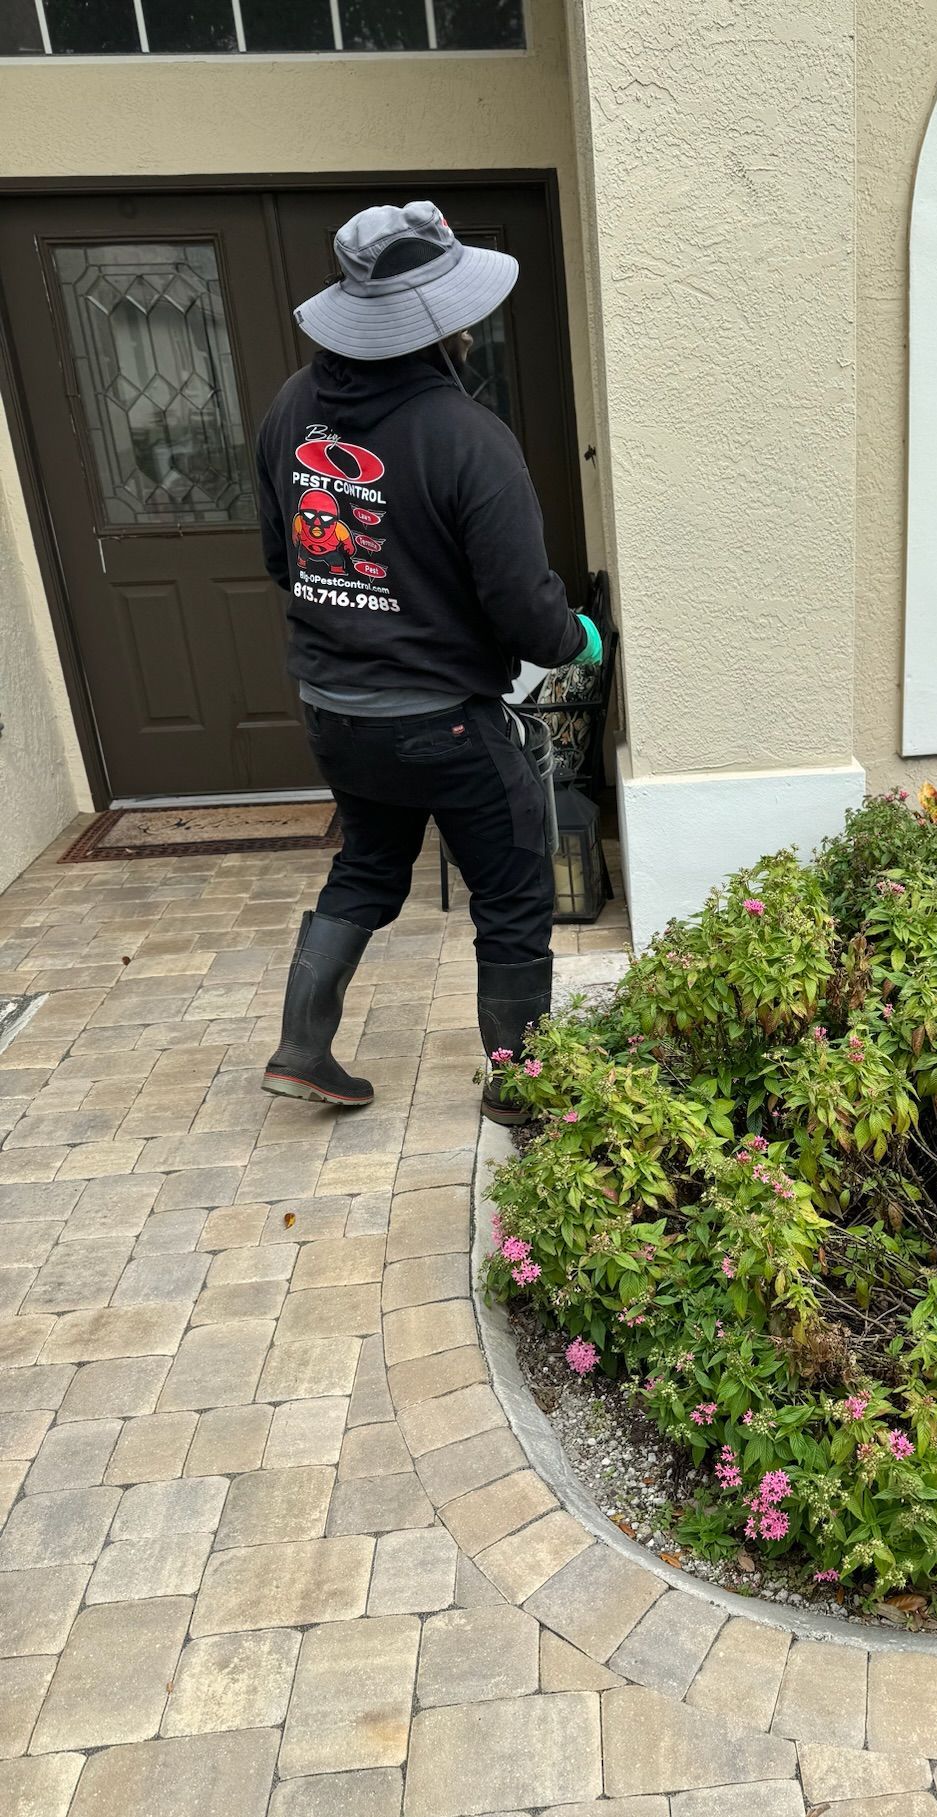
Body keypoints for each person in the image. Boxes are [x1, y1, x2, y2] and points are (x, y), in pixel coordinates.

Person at [254, 199, 600, 1124]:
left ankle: (302, 1045)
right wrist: (578, 639)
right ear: (441, 322)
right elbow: (526, 613)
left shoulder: (292, 406)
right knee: (516, 883)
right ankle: (522, 1089)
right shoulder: (466, 437)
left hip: (333, 707)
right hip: (441, 717)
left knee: (369, 863)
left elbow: (282, 559)